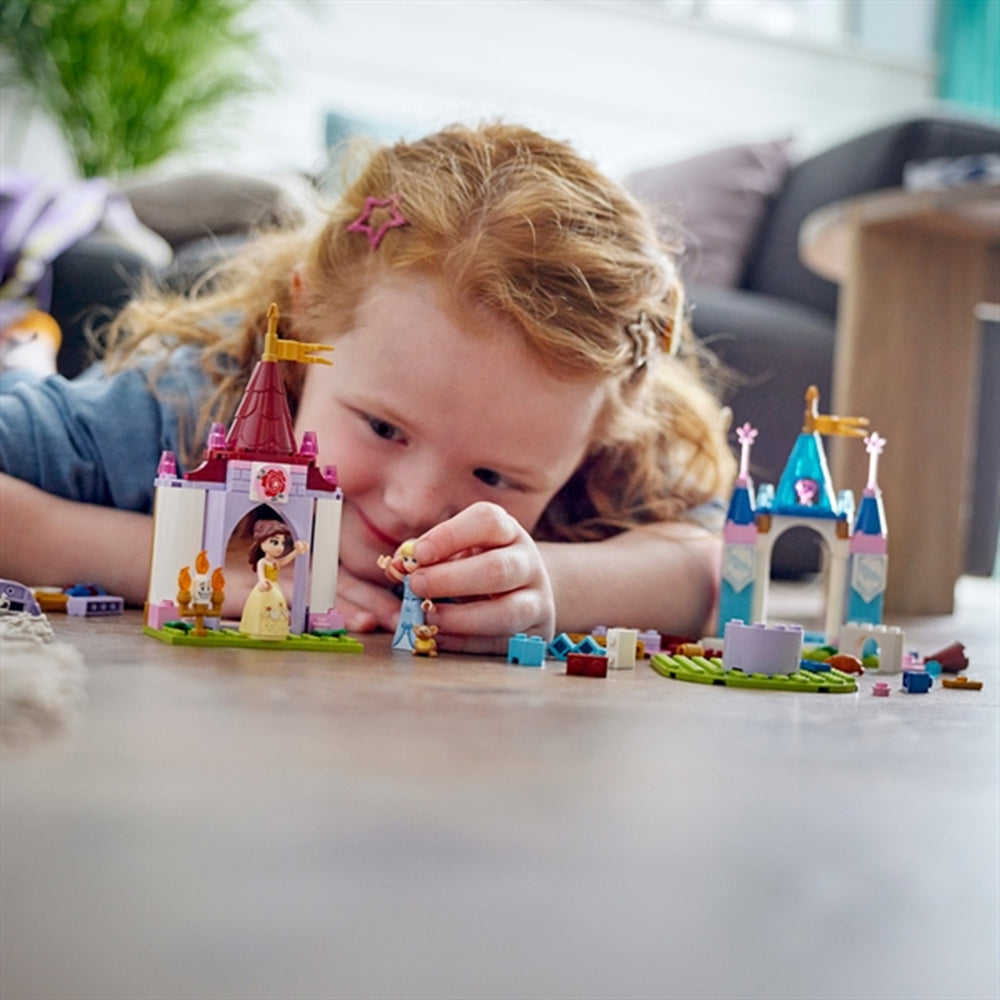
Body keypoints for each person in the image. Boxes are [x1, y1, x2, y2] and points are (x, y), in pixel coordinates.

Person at [0, 122, 735, 653]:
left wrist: (545, 582)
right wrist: (195, 565)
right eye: (384, 428)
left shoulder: (611, 445)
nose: (415, 504)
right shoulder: (186, 400)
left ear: (597, 438)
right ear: (305, 323)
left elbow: (714, 568)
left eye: (495, 476)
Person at [239, 520, 309, 640]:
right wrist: (262, 581)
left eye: (282, 543)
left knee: (276, 607)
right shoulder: (263, 562)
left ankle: (273, 630)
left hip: (275, 588)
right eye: (275, 542)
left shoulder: (276, 562)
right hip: (266, 587)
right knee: (262, 608)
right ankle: (258, 629)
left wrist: (296, 552)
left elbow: (286, 560)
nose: (280, 548)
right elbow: (260, 573)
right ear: (261, 542)